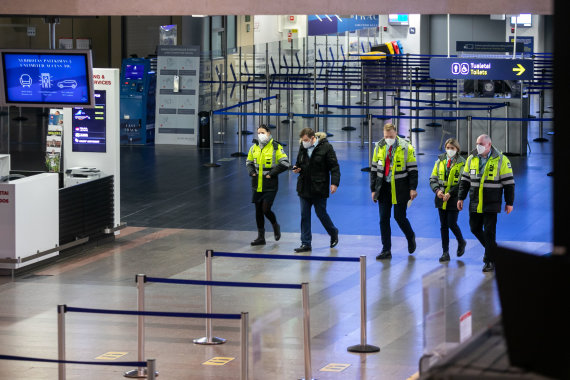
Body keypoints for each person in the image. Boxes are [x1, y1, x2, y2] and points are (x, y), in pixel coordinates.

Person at [457, 134, 515, 272]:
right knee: (474, 228)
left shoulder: (501, 160)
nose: (478, 146)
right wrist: (461, 198)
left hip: (492, 202)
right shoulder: (471, 158)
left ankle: (489, 260)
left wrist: (509, 202)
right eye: (477, 143)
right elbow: (465, 181)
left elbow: (509, 184)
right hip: (475, 201)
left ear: (489, 145)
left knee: (489, 231)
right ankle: (494, 251)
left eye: (481, 144)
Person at [371, 123, 418, 260]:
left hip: (400, 188)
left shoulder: (406, 148)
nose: (388, 139)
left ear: (396, 133)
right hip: (383, 188)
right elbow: (374, 169)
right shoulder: (379, 147)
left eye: (391, 136)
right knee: (383, 219)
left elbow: (413, 170)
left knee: (399, 217)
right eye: (386, 136)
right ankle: (386, 249)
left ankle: (410, 236)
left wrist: (413, 188)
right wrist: (373, 189)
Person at [292, 128, 340, 252]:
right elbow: (299, 162)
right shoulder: (303, 146)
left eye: (306, 140)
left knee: (321, 214)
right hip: (304, 187)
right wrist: (297, 168)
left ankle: (333, 232)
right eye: (303, 140)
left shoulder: (326, 147)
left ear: (313, 138)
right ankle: (306, 243)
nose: (304, 142)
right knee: (304, 215)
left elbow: (334, 167)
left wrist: (334, 183)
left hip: (319, 188)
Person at [246, 125, 290, 245]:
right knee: (258, 211)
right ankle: (261, 237)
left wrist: (272, 173)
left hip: (270, 184)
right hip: (257, 184)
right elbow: (249, 162)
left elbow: (285, 163)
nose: (260, 135)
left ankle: (275, 225)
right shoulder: (254, 147)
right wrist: (252, 172)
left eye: (263, 132)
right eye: (258, 133)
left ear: (269, 133)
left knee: (266, 209)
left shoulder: (276, 147)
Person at [429, 138, 467, 263]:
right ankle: (445, 252)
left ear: (457, 149)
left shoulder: (462, 163)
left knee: (452, 223)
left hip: (454, 198)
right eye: (448, 148)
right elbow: (433, 179)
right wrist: (437, 191)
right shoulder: (439, 161)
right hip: (440, 198)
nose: (450, 150)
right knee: (443, 226)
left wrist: (450, 193)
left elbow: (463, 182)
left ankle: (461, 241)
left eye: (452, 148)